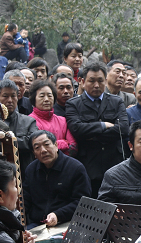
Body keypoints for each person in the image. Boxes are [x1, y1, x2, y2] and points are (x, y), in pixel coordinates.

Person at [65, 62, 129, 196]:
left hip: (114, 164)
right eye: (91, 81)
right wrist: (103, 125)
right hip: (88, 166)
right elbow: (77, 130)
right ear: (82, 82)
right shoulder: (73, 104)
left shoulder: (116, 101)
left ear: (105, 81)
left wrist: (91, 134)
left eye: (100, 81)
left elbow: (123, 129)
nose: (96, 85)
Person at [24, 130, 91, 228]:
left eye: (47, 144)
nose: (43, 150)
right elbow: (25, 200)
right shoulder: (31, 170)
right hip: (38, 224)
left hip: (68, 221)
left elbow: (83, 202)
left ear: (56, 145)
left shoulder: (75, 168)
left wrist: (58, 215)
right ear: (34, 153)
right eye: (37, 148)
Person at [0, 79, 39, 170]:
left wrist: (6, 140)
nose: (10, 100)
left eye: (13, 96)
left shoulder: (28, 121)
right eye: (5, 96)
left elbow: (32, 142)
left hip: (23, 170)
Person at [29, 79, 77, 157]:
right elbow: (39, 148)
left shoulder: (63, 120)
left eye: (49, 96)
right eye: (42, 96)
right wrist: (64, 143)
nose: (46, 99)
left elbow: (73, 146)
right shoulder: (30, 121)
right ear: (34, 99)